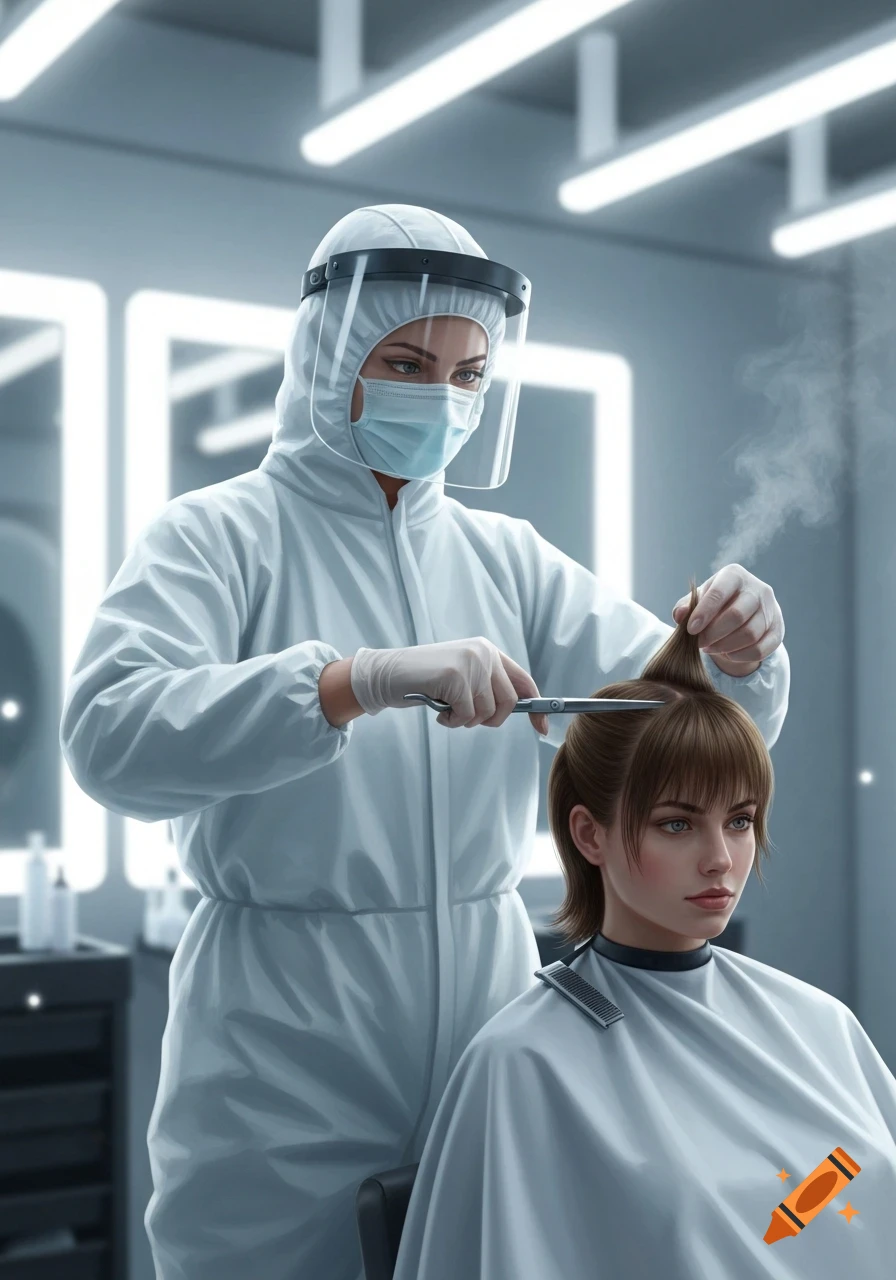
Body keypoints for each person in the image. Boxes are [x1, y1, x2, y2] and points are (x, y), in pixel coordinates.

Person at [59, 204, 791, 1280]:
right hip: (284, 1033)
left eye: (464, 374)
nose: (439, 396)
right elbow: (108, 737)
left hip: (490, 1021)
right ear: (326, 356)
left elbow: (677, 733)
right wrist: (348, 682)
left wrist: (736, 655)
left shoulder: (510, 556)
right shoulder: (217, 535)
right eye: (404, 360)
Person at [392, 585, 896, 1280]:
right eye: (678, 824)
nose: (721, 858)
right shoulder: (522, 1066)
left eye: (740, 820)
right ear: (588, 833)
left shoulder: (821, 1026)